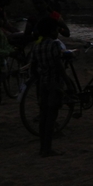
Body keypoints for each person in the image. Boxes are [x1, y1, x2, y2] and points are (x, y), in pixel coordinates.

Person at [29, 16, 71, 157]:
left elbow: (33, 67)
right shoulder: (54, 45)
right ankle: (48, 148)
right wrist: (67, 80)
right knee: (51, 117)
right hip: (55, 84)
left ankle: (42, 148)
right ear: (53, 31)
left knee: (44, 116)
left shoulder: (36, 46)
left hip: (43, 84)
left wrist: (39, 77)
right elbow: (58, 65)